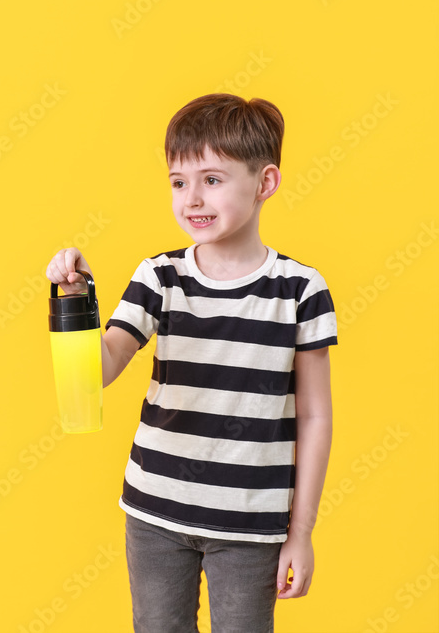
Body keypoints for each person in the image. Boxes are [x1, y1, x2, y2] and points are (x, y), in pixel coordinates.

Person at [45, 93, 337, 633]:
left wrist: (301, 530)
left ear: (265, 183)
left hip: (251, 522)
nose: (192, 199)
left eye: (212, 179)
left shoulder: (300, 290)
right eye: (179, 182)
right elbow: (101, 368)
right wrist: (75, 299)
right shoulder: (160, 278)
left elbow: (316, 416)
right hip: (154, 511)